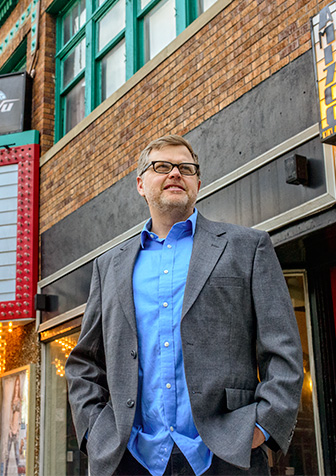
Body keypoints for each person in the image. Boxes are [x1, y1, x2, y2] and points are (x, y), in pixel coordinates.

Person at [65, 135, 304, 476]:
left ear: (198, 182)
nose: (175, 173)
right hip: (130, 457)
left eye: (186, 168)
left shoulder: (247, 247)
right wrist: (95, 432)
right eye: (162, 166)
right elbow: (84, 361)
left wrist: (262, 427)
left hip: (226, 455)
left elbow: (282, 350)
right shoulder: (110, 265)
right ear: (140, 184)